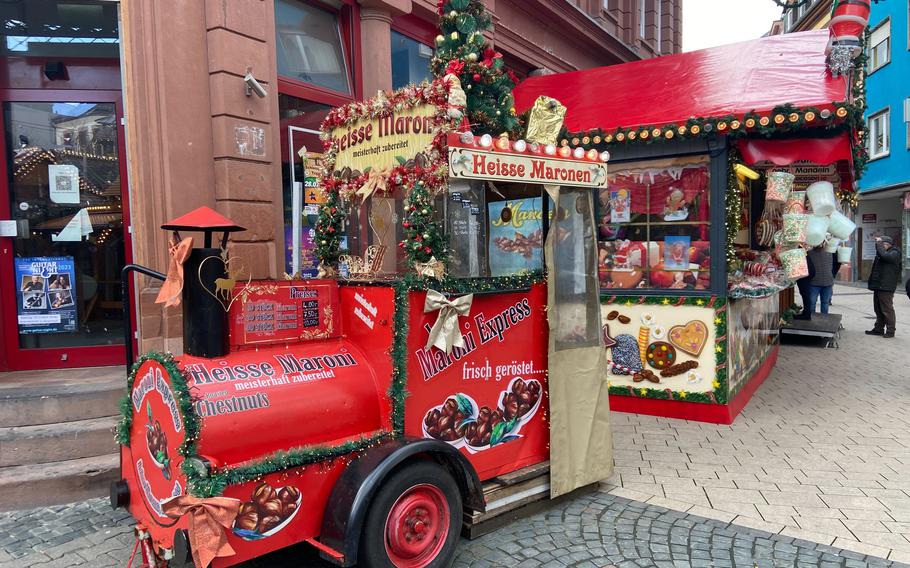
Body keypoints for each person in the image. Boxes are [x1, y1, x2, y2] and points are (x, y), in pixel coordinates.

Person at [866, 235, 901, 338]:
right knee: (878, 309)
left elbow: (886, 256)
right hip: (878, 285)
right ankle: (878, 329)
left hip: (886, 286)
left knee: (887, 309)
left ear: (888, 244)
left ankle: (891, 331)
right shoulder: (881, 253)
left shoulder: (895, 252)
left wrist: (879, 244)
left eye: (882, 244)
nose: (880, 246)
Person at [805, 245, 834, 315]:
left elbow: (835, 264)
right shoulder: (809, 253)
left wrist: (832, 275)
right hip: (814, 283)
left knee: (825, 303)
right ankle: (811, 319)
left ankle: (824, 320)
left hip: (828, 282)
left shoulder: (830, 252)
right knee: (812, 303)